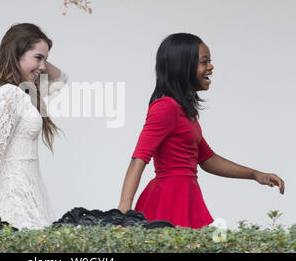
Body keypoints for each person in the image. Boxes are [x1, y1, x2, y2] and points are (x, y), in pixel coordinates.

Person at [118, 33, 285, 229]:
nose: (211, 67)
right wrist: (123, 213)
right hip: (169, 200)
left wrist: (255, 174)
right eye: (204, 62)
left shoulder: (186, 112)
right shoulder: (165, 107)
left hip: (187, 196)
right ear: (183, 68)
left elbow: (207, 159)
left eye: (210, 61)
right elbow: (139, 158)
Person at [0, 23, 67, 229]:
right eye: (38, 57)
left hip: (29, 194)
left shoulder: (23, 92)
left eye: (46, 59)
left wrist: (39, 55)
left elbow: (60, 78)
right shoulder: (9, 94)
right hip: (15, 199)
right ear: (16, 53)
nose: (43, 67)